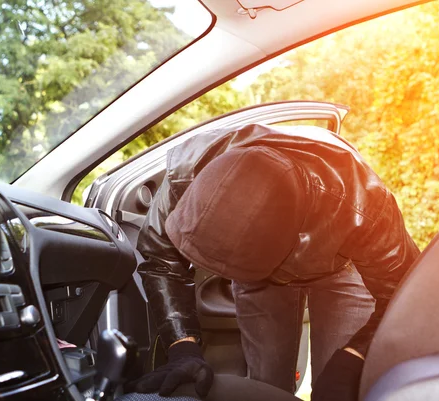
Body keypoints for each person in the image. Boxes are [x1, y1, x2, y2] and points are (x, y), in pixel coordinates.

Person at [125, 123, 420, 401]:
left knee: (337, 386)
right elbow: (160, 260)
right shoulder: (187, 173)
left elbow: (402, 294)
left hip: (341, 266)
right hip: (260, 278)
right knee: (264, 385)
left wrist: (354, 357)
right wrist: (183, 347)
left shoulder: (363, 206)